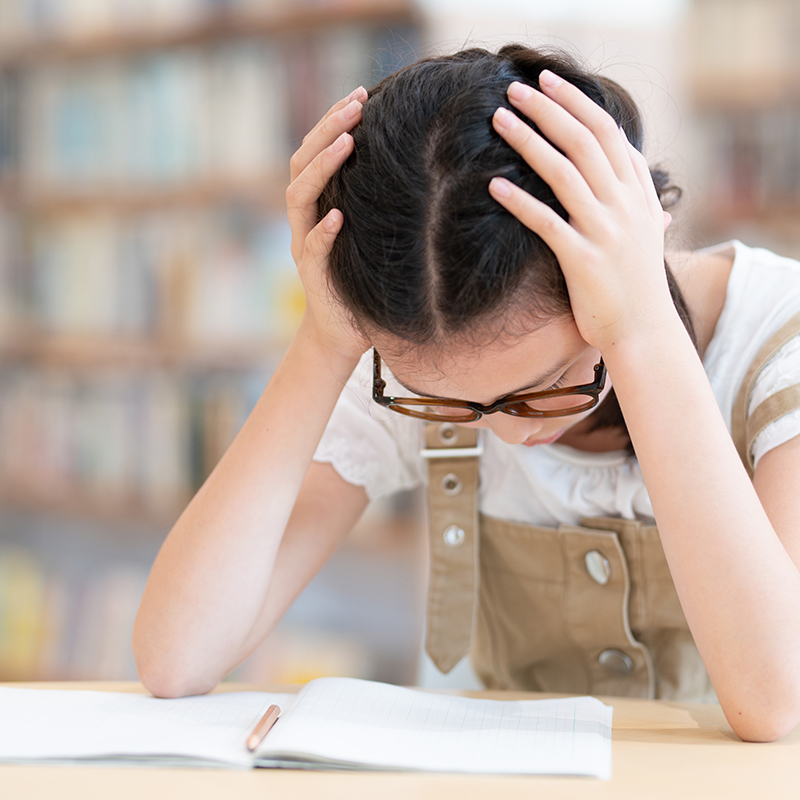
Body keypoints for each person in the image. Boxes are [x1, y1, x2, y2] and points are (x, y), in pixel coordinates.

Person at [132, 44, 800, 742]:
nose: (507, 431)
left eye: (544, 387)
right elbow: (177, 657)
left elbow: (774, 698)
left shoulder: (774, 343)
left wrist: (640, 333)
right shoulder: (426, 364)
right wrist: (323, 343)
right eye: (454, 406)